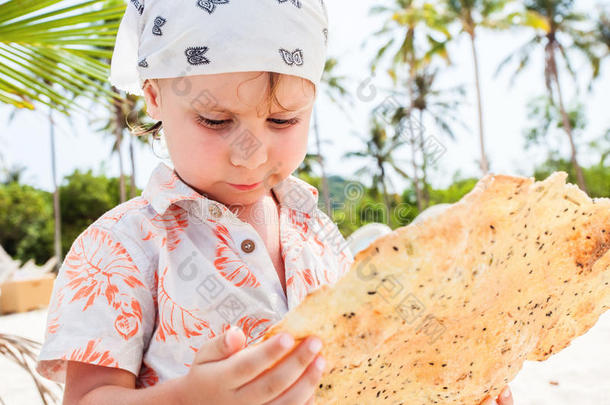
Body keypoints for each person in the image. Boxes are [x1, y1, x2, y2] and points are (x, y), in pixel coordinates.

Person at [34, 1, 513, 404]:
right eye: (216, 120)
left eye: (283, 121)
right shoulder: (117, 249)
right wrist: (188, 398)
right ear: (155, 98)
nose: (253, 154)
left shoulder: (321, 238)